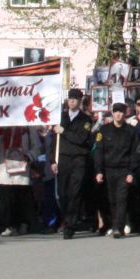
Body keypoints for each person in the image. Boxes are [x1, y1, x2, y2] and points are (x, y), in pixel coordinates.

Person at [93, 101, 140, 240]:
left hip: (124, 170)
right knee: (111, 199)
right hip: (108, 170)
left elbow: (135, 153)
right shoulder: (104, 130)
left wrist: (131, 172)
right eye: (116, 111)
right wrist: (99, 171)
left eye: (121, 112)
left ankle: (117, 228)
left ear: (125, 113)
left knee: (121, 199)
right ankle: (113, 223)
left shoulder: (131, 131)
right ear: (113, 113)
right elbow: (98, 151)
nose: (118, 114)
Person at [52, 88, 96, 239]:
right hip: (63, 158)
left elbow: (81, 139)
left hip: (78, 159)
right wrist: (53, 160)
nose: (72, 101)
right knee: (62, 194)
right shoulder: (60, 117)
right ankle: (67, 218)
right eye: (70, 98)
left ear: (79, 101)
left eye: (75, 99)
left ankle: (70, 226)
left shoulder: (85, 119)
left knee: (74, 193)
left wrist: (64, 131)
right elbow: (54, 142)